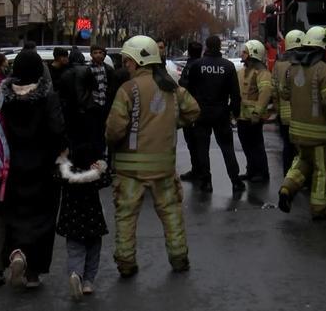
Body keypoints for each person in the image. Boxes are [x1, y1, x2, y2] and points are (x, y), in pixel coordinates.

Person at [105, 35, 200, 277]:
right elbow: (193, 110)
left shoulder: (127, 89)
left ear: (136, 61)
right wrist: (171, 125)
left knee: (126, 216)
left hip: (129, 169)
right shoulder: (171, 87)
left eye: (127, 61)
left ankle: (126, 262)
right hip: (164, 166)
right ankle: (179, 257)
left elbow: (115, 130)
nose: (125, 65)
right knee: (171, 213)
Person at [0, 50, 66, 288]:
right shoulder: (48, 97)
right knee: (43, 218)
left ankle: (17, 253)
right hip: (43, 167)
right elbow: (57, 130)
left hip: (15, 165)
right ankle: (33, 273)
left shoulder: (6, 98)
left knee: (16, 214)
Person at [278, 26, 326, 220]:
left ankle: (286, 189)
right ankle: (320, 208)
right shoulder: (323, 70)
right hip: (320, 134)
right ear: (323, 47)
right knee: (323, 170)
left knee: (302, 163)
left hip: (297, 131)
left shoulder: (291, 69)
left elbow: (284, 93)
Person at [182, 36, 245, 193]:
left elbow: (188, 90)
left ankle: (206, 182)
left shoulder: (197, 65)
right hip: (221, 113)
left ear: (207, 47)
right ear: (219, 47)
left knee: (202, 149)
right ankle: (235, 181)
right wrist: (234, 112)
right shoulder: (228, 66)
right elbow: (235, 94)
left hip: (201, 113)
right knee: (227, 148)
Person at [56, 145, 112, 300]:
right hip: (92, 212)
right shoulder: (94, 155)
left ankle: (75, 274)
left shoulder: (66, 157)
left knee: (74, 248)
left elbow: (57, 175)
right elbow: (106, 179)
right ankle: (88, 281)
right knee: (94, 246)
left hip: (70, 212)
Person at [237, 39, 272, 183]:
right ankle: (251, 171)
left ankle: (262, 172)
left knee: (256, 145)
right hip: (242, 117)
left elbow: (265, 93)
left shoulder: (262, 73)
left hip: (254, 118)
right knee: (246, 145)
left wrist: (257, 112)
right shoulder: (242, 71)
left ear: (253, 54)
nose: (242, 54)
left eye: (245, 52)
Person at [272, 30, 305, 175]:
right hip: (302, 114)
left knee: (287, 147)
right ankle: (300, 176)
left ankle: (287, 174)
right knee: (303, 149)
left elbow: (274, 90)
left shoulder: (279, 65)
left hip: (285, 117)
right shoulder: (305, 63)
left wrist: (278, 110)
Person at [177, 41, 204, 184]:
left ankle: (197, 170)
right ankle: (201, 171)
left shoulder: (190, 66)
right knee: (199, 143)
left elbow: (183, 84)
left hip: (191, 107)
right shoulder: (203, 64)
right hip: (203, 106)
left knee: (193, 143)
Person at [87, 45, 117, 160]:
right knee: (94, 135)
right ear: (91, 54)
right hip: (94, 107)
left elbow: (112, 88)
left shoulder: (109, 70)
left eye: (100, 52)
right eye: (95, 52)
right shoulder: (87, 69)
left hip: (106, 107)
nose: (98, 55)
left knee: (106, 134)